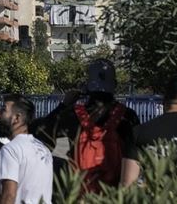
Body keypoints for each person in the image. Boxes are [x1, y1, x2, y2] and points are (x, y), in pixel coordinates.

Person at [34, 58, 139, 192]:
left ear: (87, 85)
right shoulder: (128, 116)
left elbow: (41, 135)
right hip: (113, 196)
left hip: (79, 194)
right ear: (115, 84)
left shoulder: (71, 115)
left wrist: (63, 105)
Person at [0, 94, 53, 204]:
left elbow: (9, 195)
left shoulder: (10, 150)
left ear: (16, 118)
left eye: (3, 110)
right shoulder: (43, 149)